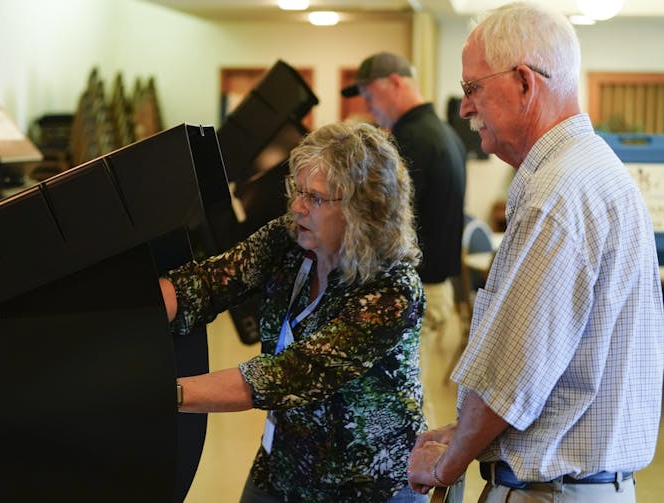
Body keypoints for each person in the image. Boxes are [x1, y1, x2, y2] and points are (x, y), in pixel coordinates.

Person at [406, 3, 664, 502]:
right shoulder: (589, 168)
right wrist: (464, 435)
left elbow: (510, 379)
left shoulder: (557, 191)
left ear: (524, 83)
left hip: (552, 491)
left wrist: (447, 464)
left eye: (472, 88)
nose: (464, 108)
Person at [159, 121, 428, 502]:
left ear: (362, 211)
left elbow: (288, 375)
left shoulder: (392, 290)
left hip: (364, 483)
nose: (297, 207)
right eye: (297, 191)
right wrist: (127, 317)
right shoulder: (290, 239)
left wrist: (164, 394)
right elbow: (206, 284)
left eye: (315, 198)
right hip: (286, 461)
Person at [342, 52, 467, 397]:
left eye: (370, 95)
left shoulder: (410, 141)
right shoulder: (444, 133)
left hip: (416, 291)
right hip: (436, 287)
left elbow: (383, 222)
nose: (369, 107)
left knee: (405, 408)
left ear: (396, 82)